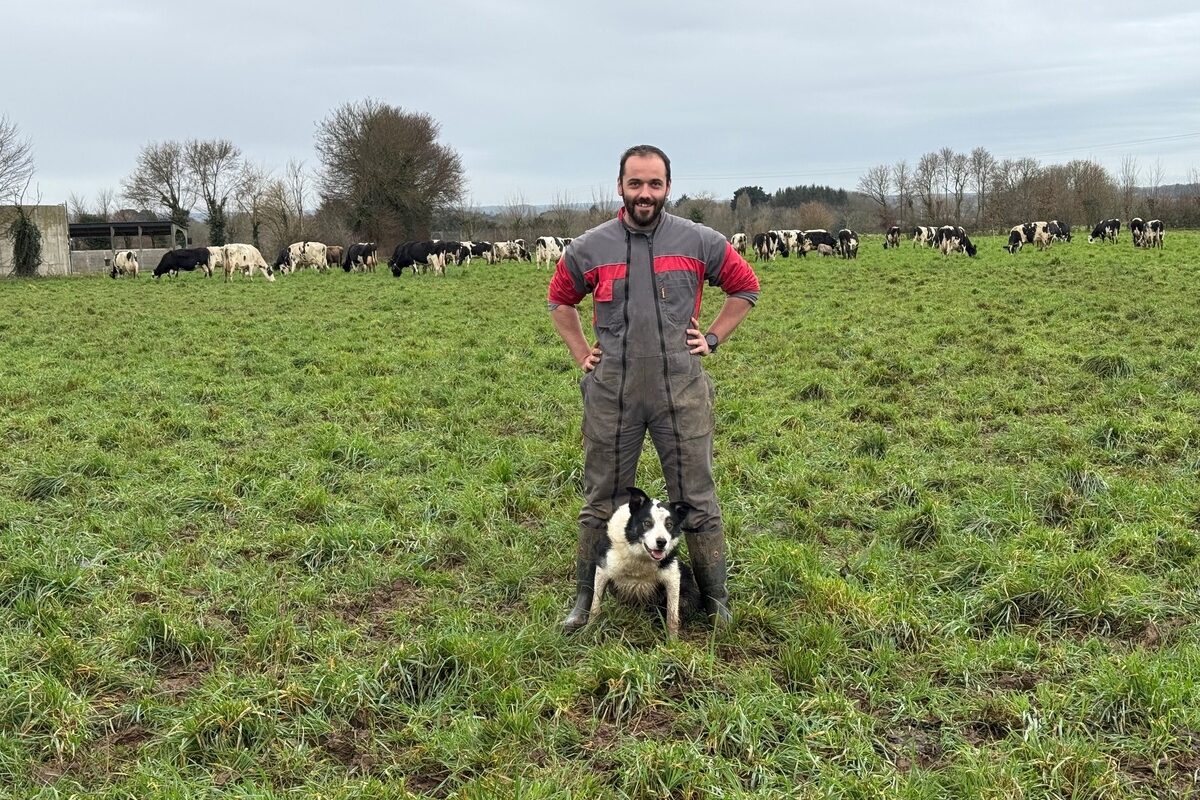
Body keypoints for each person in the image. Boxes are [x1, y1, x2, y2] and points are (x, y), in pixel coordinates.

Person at [547, 144, 760, 632]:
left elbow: (745, 287)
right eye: (636, 183)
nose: (646, 193)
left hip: (680, 394)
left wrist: (711, 338)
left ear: (668, 186)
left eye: (655, 184)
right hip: (611, 394)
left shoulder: (699, 240)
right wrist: (582, 354)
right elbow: (560, 300)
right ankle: (584, 599)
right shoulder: (589, 247)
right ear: (620, 186)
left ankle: (716, 600)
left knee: (697, 497)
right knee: (601, 499)